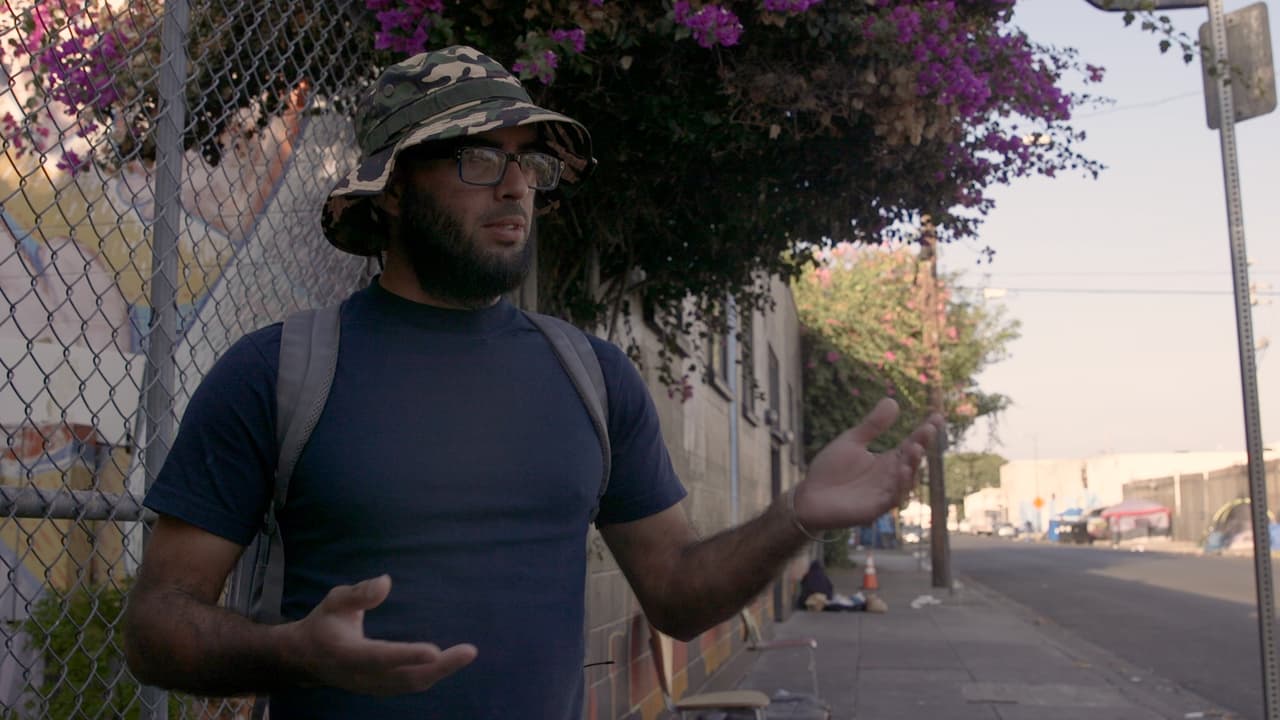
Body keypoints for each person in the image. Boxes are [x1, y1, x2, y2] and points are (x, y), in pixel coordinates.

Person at [122, 45, 942, 719]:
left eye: (529, 164)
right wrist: (292, 652)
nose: (517, 185)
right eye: (480, 158)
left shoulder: (592, 378)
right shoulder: (277, 372)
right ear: (395, 187)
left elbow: (678, 595)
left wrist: (796, 515)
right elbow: (156, 626)